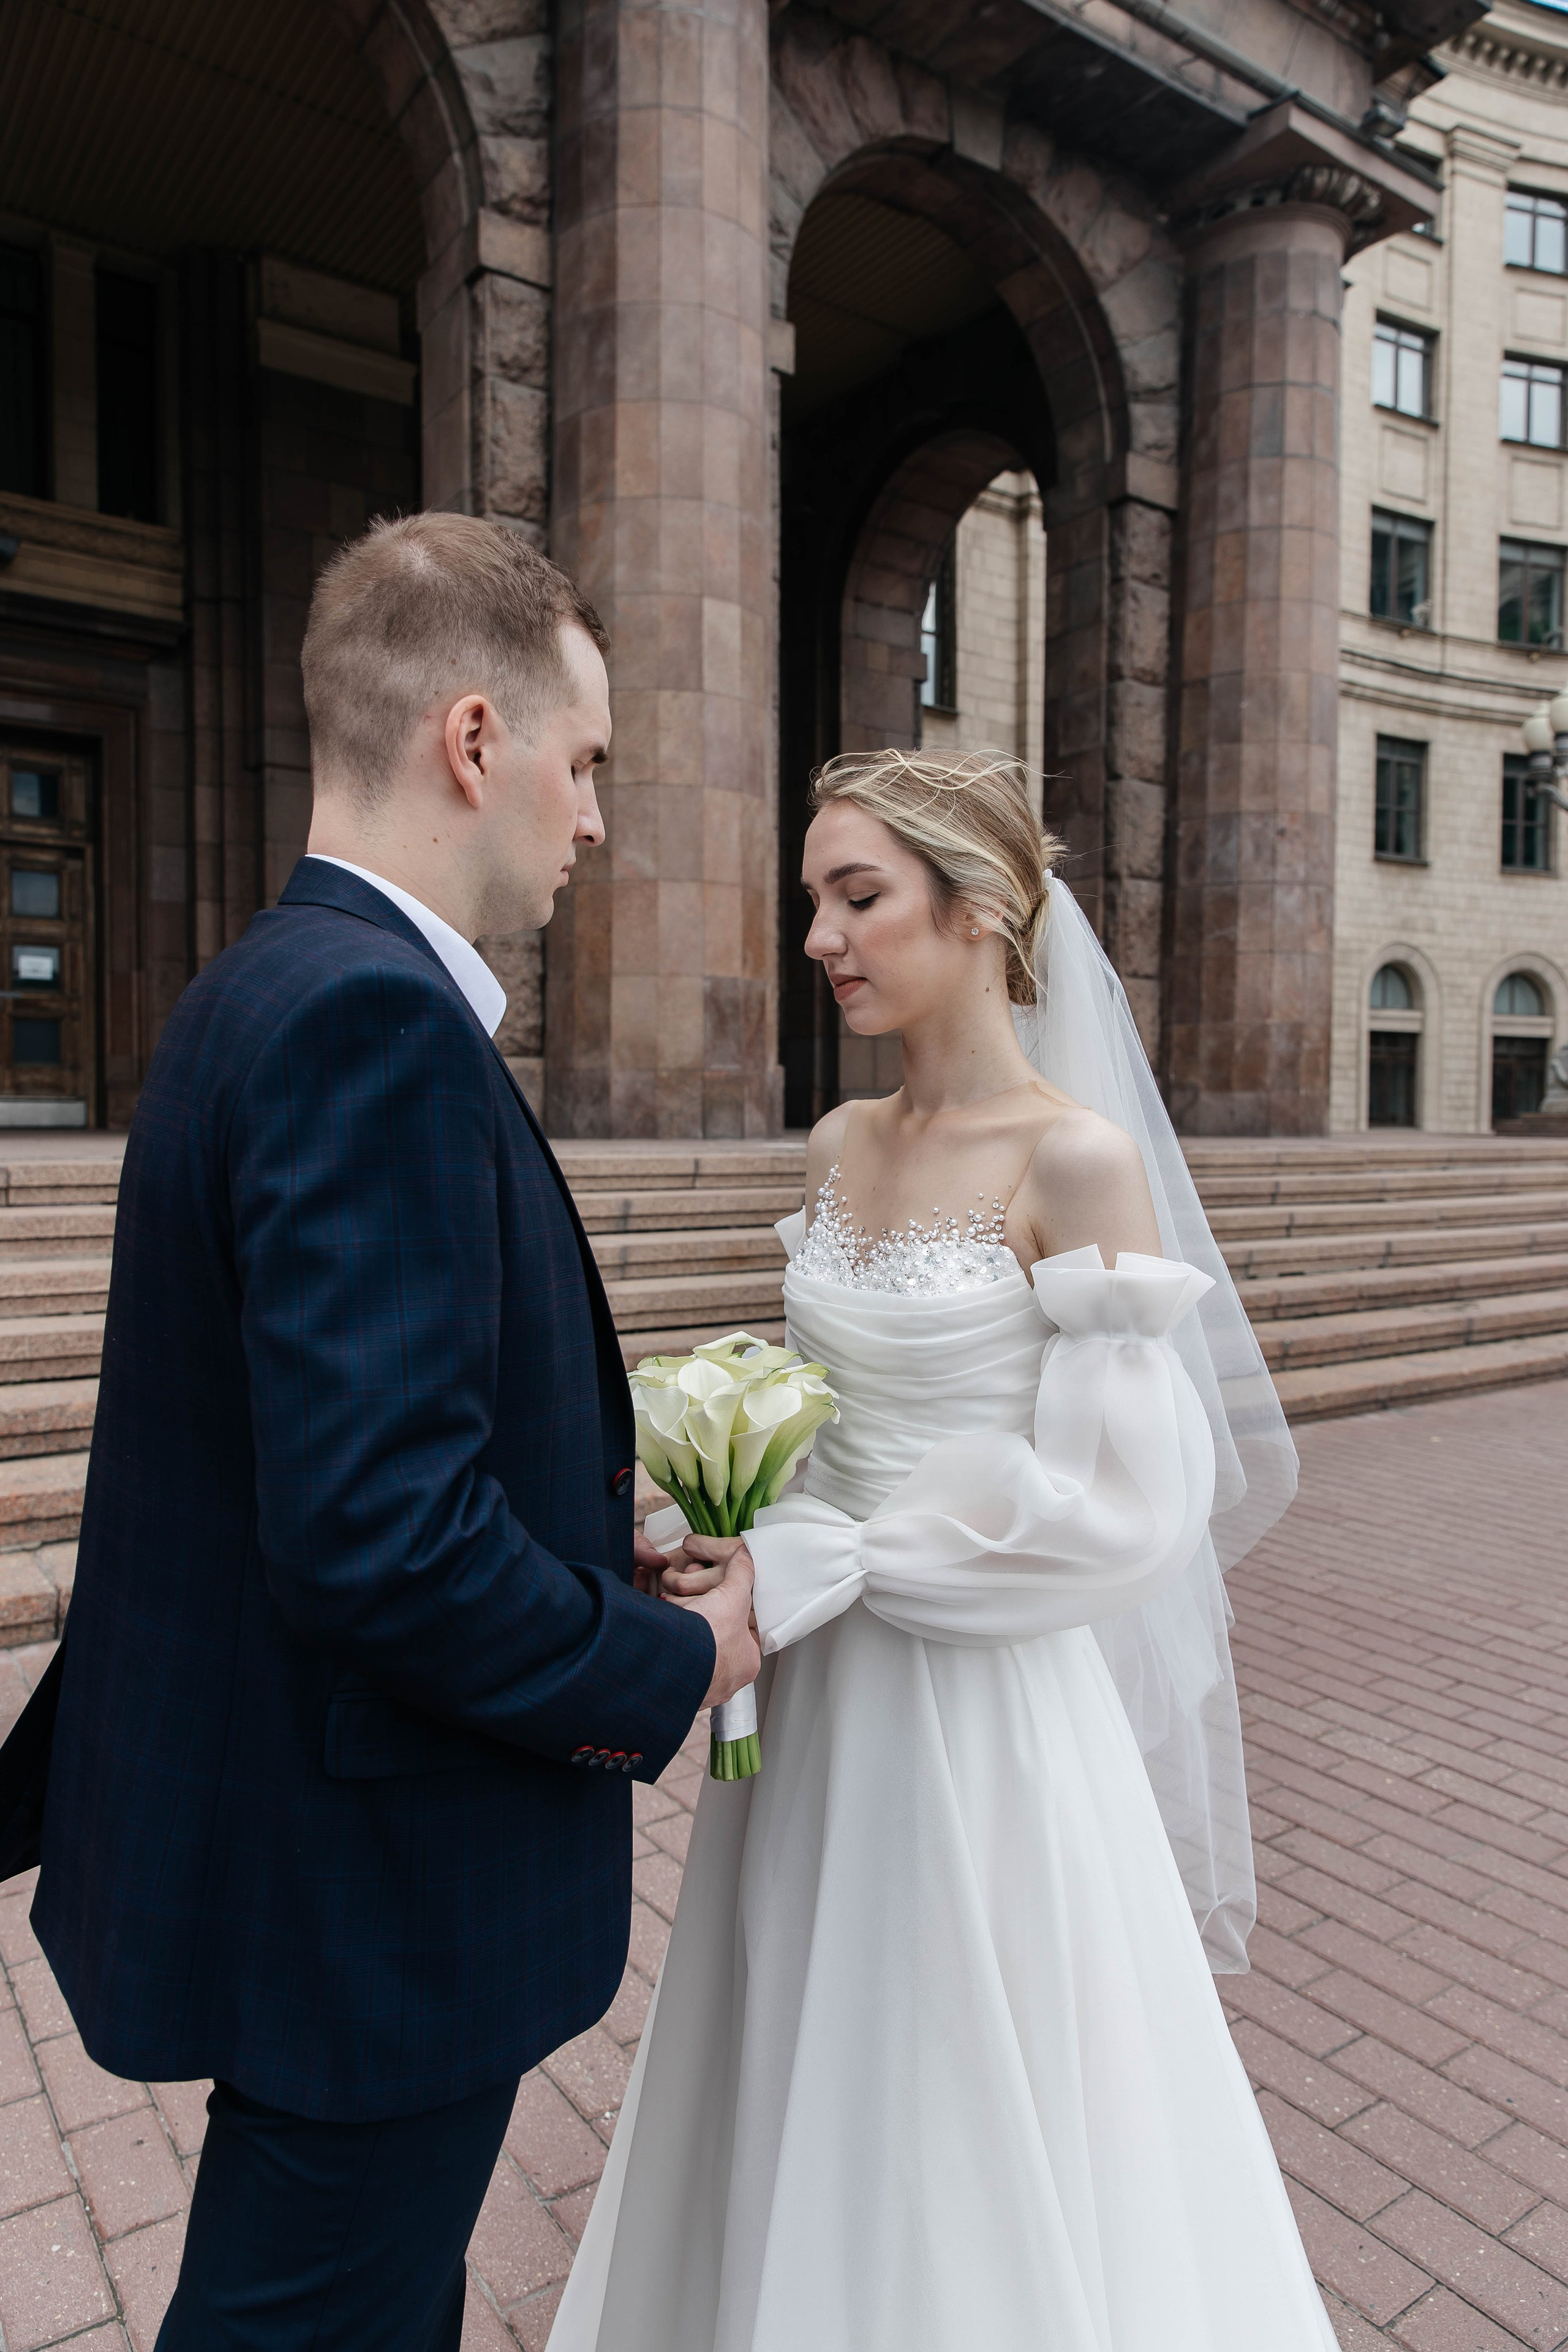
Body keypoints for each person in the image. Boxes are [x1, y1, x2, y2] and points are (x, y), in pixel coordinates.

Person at [27, 513, 759, 2350]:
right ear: (471, 741)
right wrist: (668, 1647)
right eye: (584, 763)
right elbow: (384, 1538)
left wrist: (593, 1539)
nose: (597, 820)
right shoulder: (373, 1020)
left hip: (305, 1861)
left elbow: (311, 1454)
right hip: (372, 1903)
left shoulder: (258, 985)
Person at [548, 749, 1335, 2352]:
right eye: (814, 904)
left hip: (982, 1708)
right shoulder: (836, 1144)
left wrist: (835, 1562)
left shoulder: (1076, 1163)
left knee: (966, 2057)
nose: (825, 938)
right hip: (817, 1686)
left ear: (978, 910)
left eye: (861, 897)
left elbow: (1127, 1507)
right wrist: (717, 1521)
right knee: (795, 2033)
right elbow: (819, 1426)